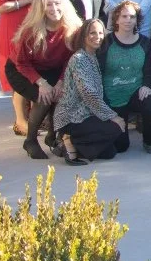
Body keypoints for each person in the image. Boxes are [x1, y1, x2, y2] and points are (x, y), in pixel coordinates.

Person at [8, 0, 82, 159]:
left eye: (57, 3)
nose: (54, 8)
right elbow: (21, 62)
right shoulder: (31, 30)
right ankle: (30, 140)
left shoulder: (73, 28)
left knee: (59, 94)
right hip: (21, 69)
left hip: (53, 69)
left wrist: (61, 81)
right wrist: (41, 83)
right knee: (44, 98)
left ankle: (52, 136)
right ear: (41, 8)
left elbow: (70, 59)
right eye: (48, 5)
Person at [51, 19, 126, 165]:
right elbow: (88, 93)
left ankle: (66, 147)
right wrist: (113, 116)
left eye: (100, 33)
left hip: (88, 115)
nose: (97, 36)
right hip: (72, 118)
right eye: (92, 33)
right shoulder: (79, 59)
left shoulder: (93, 56)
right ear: (84, 35)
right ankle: (67, 138)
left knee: (113, 151)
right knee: (115, 127)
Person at [96, 0, 151, 154]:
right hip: (112, 96)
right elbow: (98, 71)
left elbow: (149, 71)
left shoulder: (145, 43)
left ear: (137, 20)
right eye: (124, 16)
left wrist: (146, 84)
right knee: (121, 147)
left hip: (135, 92)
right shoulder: (106, 42)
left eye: (132, 17)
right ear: (116, 19)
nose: (128, 20)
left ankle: (150, 142)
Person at [0, 0, 41, 131]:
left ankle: (29, 118)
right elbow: (1, 6)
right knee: (18, 73)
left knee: (28, 72)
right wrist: (27, 0)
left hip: (28, 30)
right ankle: (21, 122)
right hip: (12, 31)